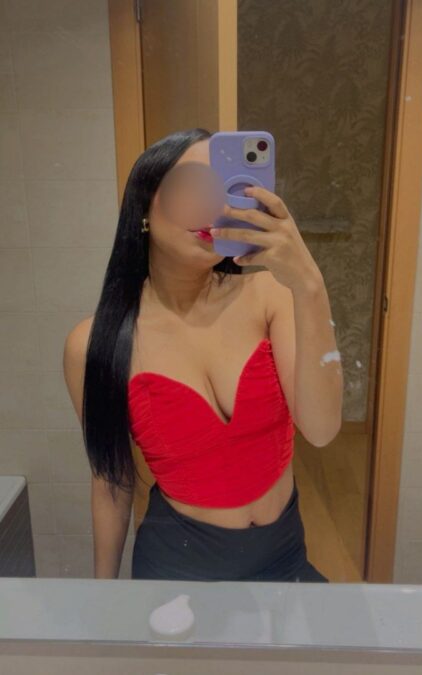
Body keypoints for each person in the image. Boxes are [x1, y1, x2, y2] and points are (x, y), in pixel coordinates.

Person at [63, 128, 331, 582]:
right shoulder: (95, 343)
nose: (212, 206)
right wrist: (103, 594)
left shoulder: (271, 295)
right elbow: (111, 481)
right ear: (144, 207)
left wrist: (308, 282)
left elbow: (322, 430)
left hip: (284, 556)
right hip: (178, 566)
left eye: (225, 188)